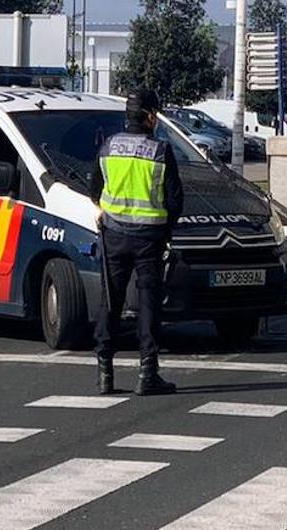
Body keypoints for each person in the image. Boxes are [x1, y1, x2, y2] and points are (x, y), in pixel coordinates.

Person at [90, 89, 185, 395]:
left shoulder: (108, 147)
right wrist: (166, 229)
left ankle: (104, 372)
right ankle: (148, 373)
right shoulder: (160, 150)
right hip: (149, 240)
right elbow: (175, 199)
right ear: (150, 116)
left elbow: (95, 190)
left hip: (114, 236)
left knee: (111, 302)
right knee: (148, 304)